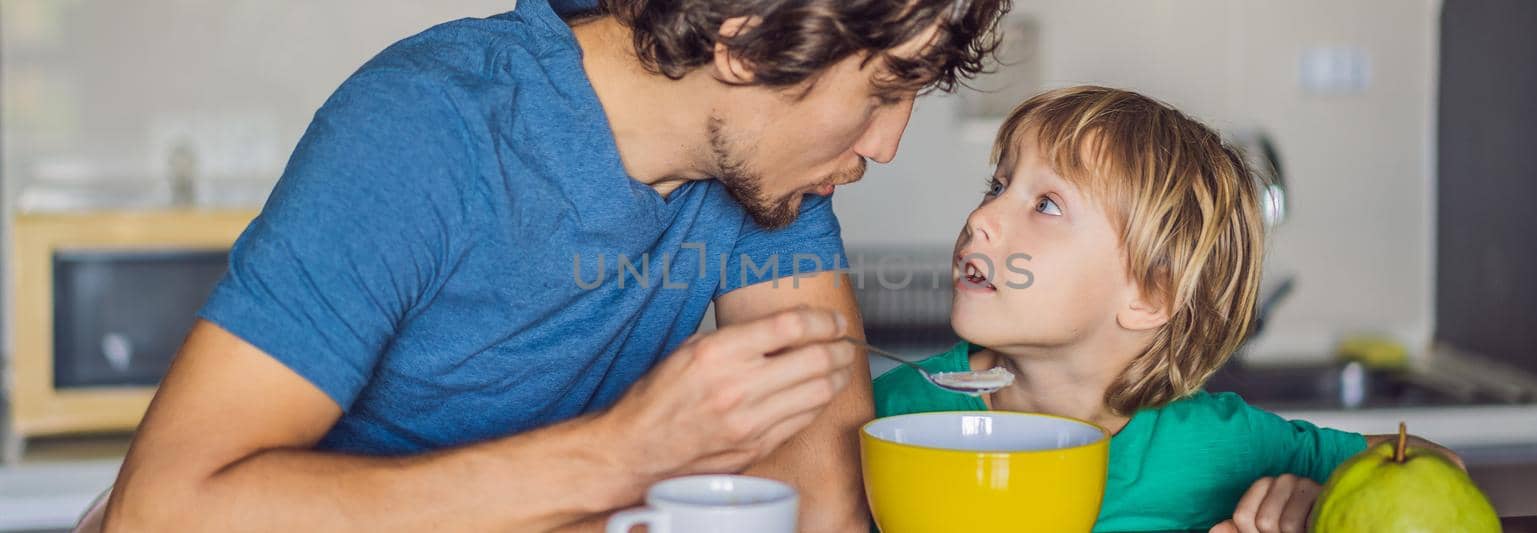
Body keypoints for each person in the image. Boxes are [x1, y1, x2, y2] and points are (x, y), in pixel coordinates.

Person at [104, 0, 1008, 531]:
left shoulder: (772, 179)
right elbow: (166, 507)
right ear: (744, 42)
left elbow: (819, 496)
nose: (886, 145)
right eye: (884, 91)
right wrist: (620, 457)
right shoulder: (429, 127)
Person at [871, 86, 1460, 533]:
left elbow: (1440, 468)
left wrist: (1321, 502)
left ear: (1151, 295)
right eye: (997, 187)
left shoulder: (1222, 449)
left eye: (1046, 204)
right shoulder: (894, 410)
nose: (981, 218)